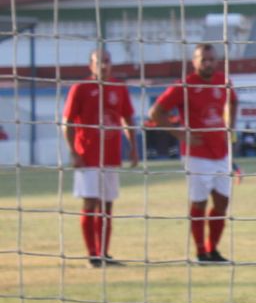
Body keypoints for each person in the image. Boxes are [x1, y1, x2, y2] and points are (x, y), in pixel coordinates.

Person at [147, 43, 238, 264]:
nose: (207, 63)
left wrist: (230, 127)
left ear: (216, 61)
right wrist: (179, 134)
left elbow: (233, 101)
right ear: (194, 61)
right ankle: (200, 252)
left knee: (222, 202)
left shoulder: (222, 80)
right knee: (199, 202)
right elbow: (156, 112)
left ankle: (213, 249)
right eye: (202, 59)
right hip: (197, 155)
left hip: (221, 153)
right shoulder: (184, 85)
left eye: (210, 59)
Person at [62, 48, 139, 267]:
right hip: (88, 156)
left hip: (111, 156)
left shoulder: (118, 87)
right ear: (91, 65)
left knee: (107, 206)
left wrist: (133, 147)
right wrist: (74, 152)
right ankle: (92, 255)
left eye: (106, 61)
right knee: (90, 202)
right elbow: (67, 123)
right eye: (99, 62)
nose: (103, 65)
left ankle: (104, 253)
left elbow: (128, 118)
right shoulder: (80, 88)